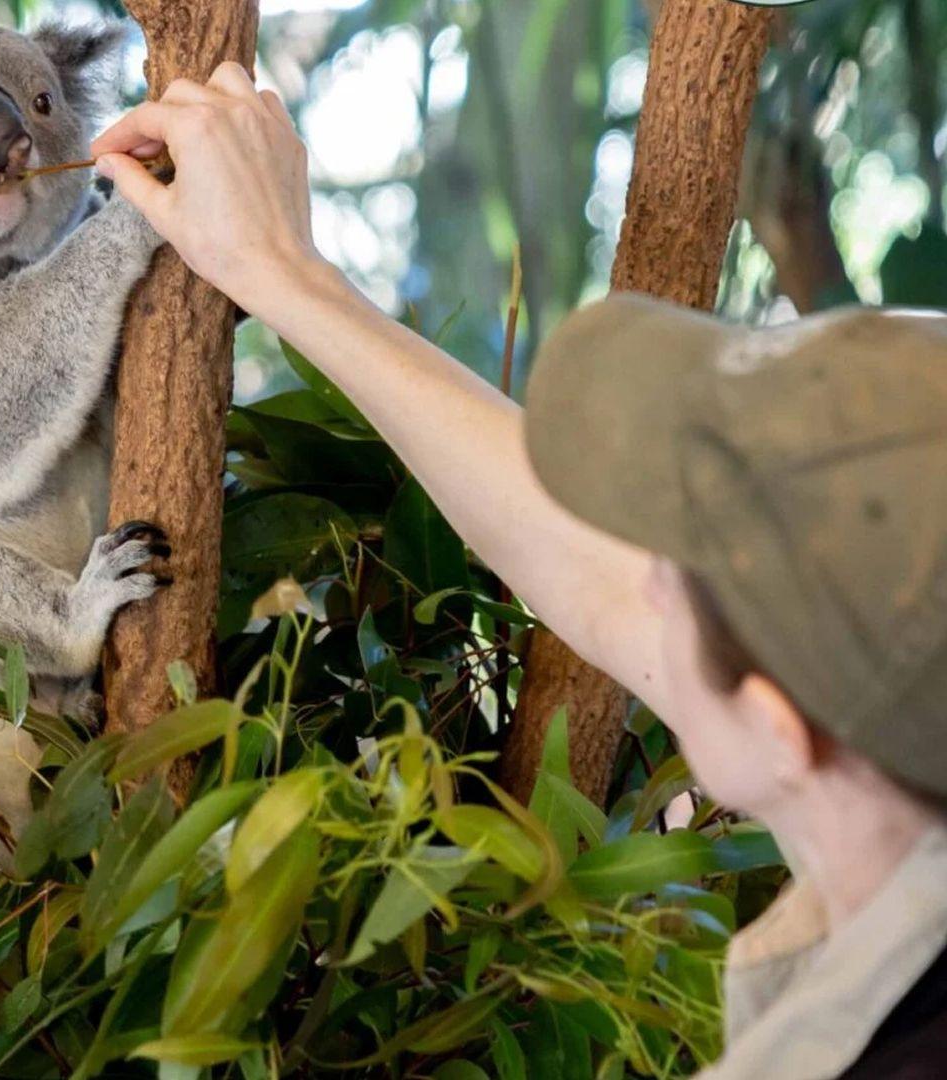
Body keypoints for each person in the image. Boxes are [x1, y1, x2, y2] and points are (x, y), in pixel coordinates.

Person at [91, 63, 947, 1079]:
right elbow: (600, 573)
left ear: (779, 729)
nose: (647, 576)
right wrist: (283, 272)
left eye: (681, 571)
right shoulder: (888, 745)